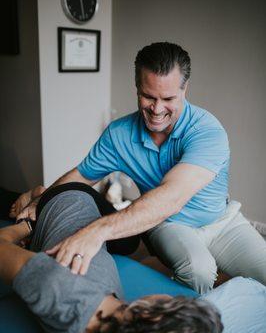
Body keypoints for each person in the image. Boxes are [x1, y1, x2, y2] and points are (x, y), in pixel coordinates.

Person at [10, 42, 266, 294]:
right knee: (199, 270)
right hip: (168, 224)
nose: (157, 109)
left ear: (185, 88)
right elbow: (80, 175)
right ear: (136, 87)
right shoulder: (119, 134)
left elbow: (172, 197)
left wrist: (96, 232)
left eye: (168, 98)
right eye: (148, 96)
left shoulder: (207, 131)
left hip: (222, 221)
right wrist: (42, 199)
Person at [0, 185, 227, 333]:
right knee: (129, 243)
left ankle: (37, 200)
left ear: (151, 314)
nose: (171, 297)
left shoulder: (57, 285)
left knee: (129, 238)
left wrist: (28, 226)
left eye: (176, 302)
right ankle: (39, 194)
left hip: (68, 197)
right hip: (81, 213)